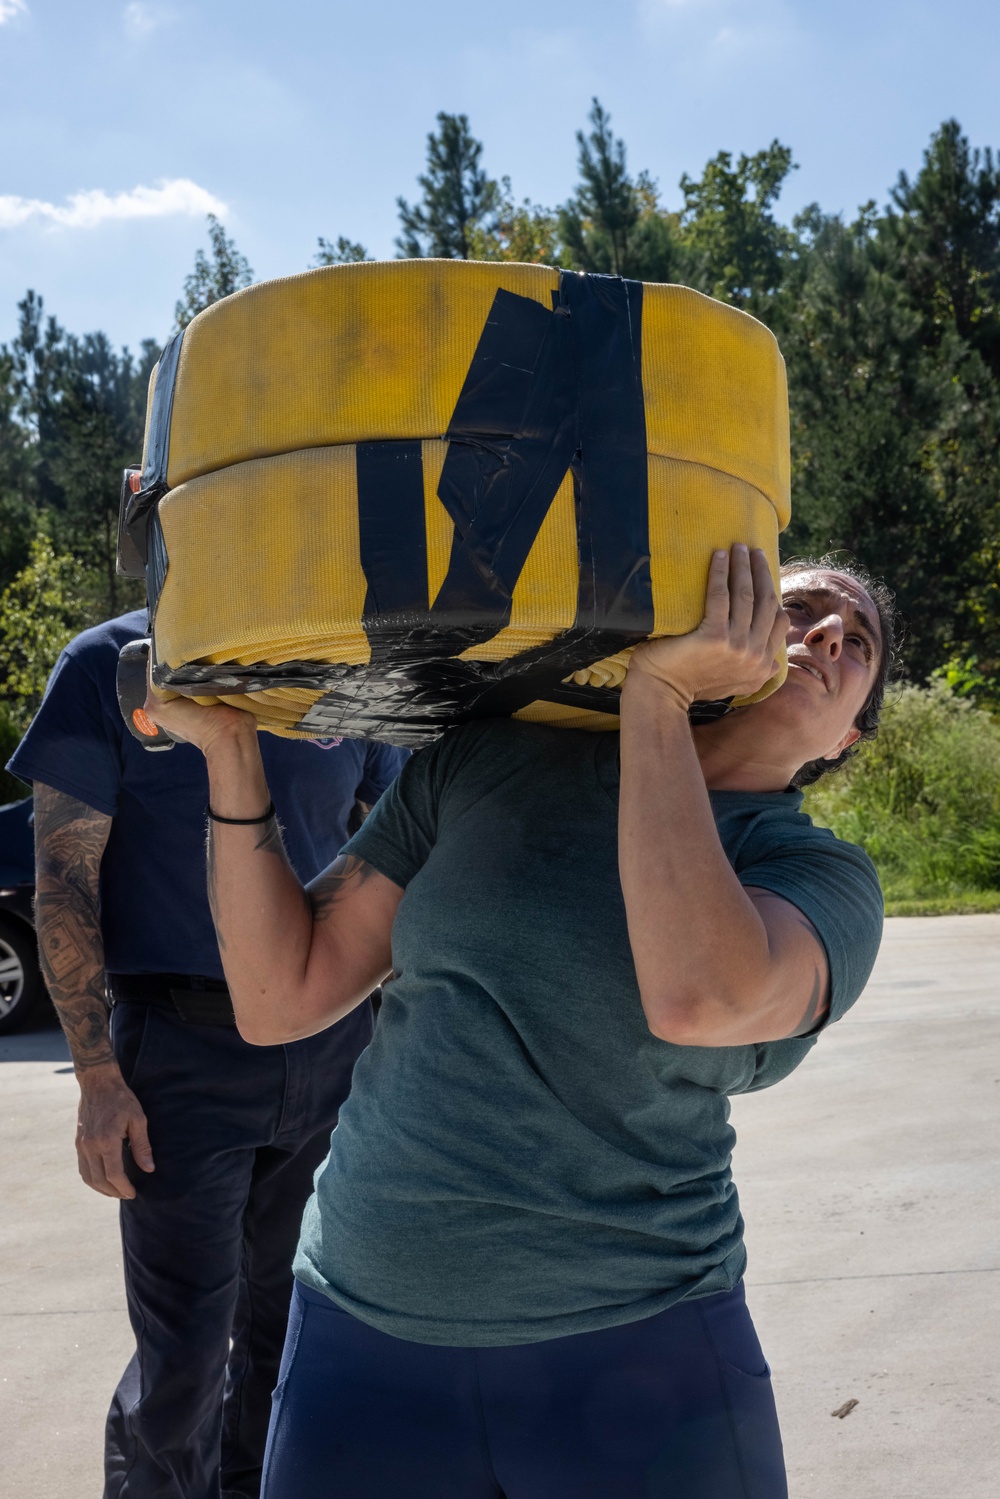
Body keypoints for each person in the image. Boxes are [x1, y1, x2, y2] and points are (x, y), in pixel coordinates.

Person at [143, 548, 895, 1499]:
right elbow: (280, 993)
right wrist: (230, 751)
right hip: (361, 1335)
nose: (824, 632)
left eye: (856, 639)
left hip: (639, 1356)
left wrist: (654, 697)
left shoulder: (820, 879)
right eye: (793, 608)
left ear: (849, 740)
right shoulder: (492, 760)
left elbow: (699, 996)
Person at [7, 607, 407, 1499]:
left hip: (334, 1041)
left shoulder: (339, 653)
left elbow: (394, 832)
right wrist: (98, 1079)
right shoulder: (112, 664)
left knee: (294, 1329)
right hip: (178, 1055)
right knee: (183, 1352)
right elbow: (63, 879)